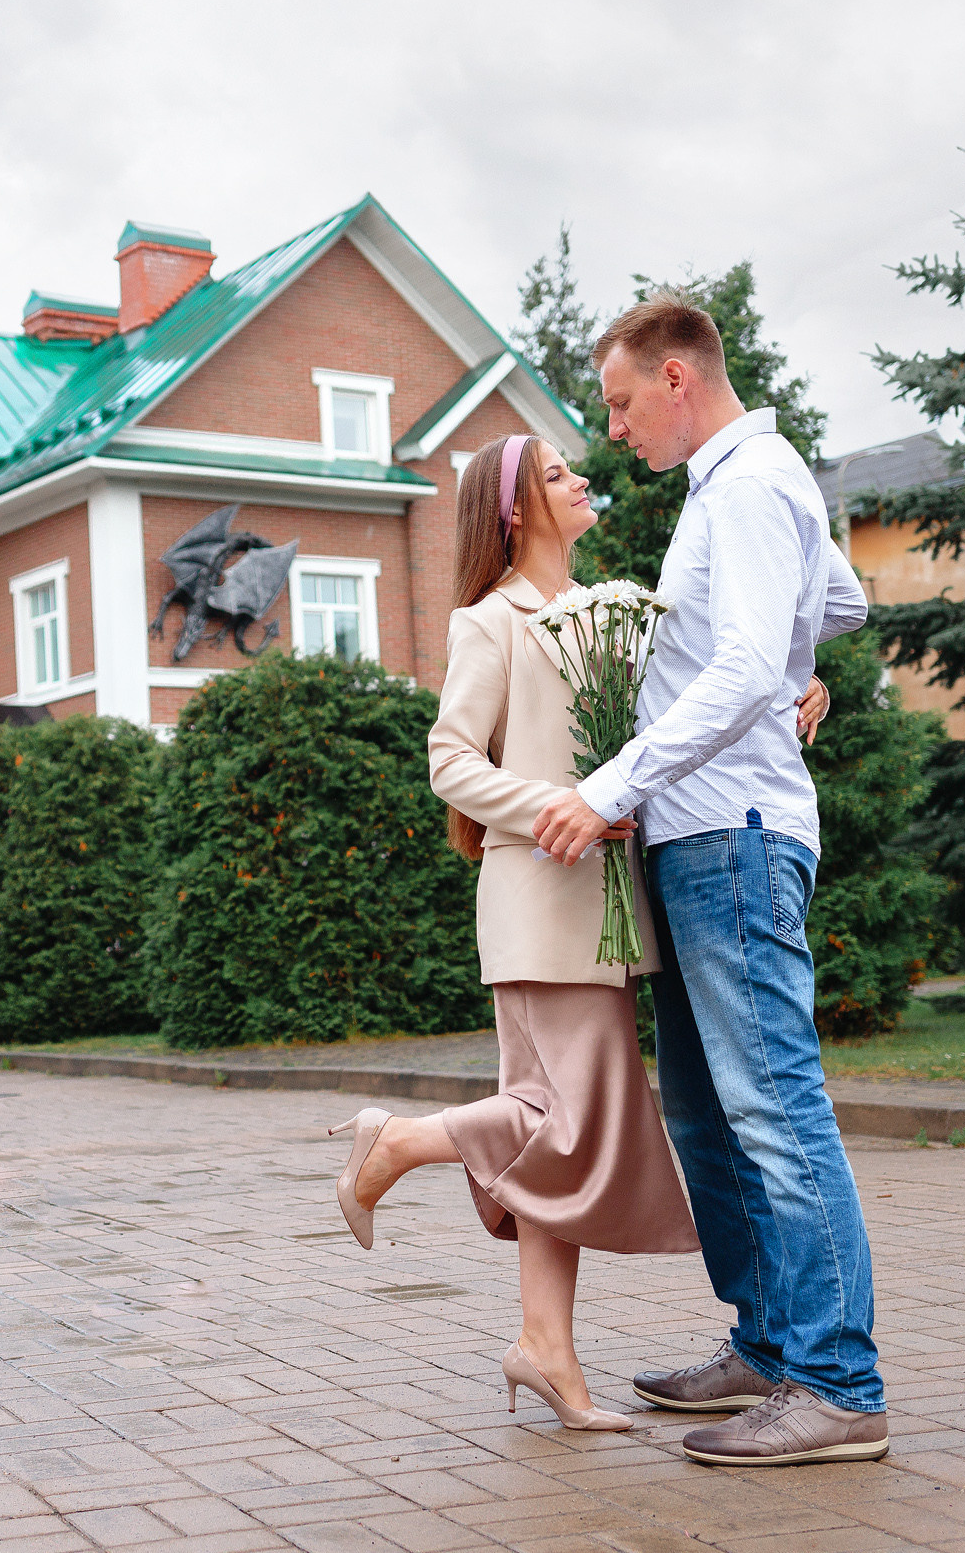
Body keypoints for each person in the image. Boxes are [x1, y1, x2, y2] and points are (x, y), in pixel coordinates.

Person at [530, 292, 888, 1466]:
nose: (617, 430)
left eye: (625, 403)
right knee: (704, 1107)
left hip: (729, 831)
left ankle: (835, 1382)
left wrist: (610, 786)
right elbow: (840, 599)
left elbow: (741, 658)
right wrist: (797, 669)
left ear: (677, 377)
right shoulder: (736, 487)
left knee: (773, 1107)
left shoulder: (743, 483)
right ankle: (773, 1347)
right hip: (699, 834)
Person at [327, 431, 696, 1433]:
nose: (582, 481)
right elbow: (450, 762)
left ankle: (545, 1347)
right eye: (558, 475)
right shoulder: (490, 622)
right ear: (514, 510)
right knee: (568, 1124)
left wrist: (788, 689)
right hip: (537, 898)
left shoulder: (607, 616)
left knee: (556, 1132)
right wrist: (559, 804)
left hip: (607, 911)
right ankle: (396, 1141)